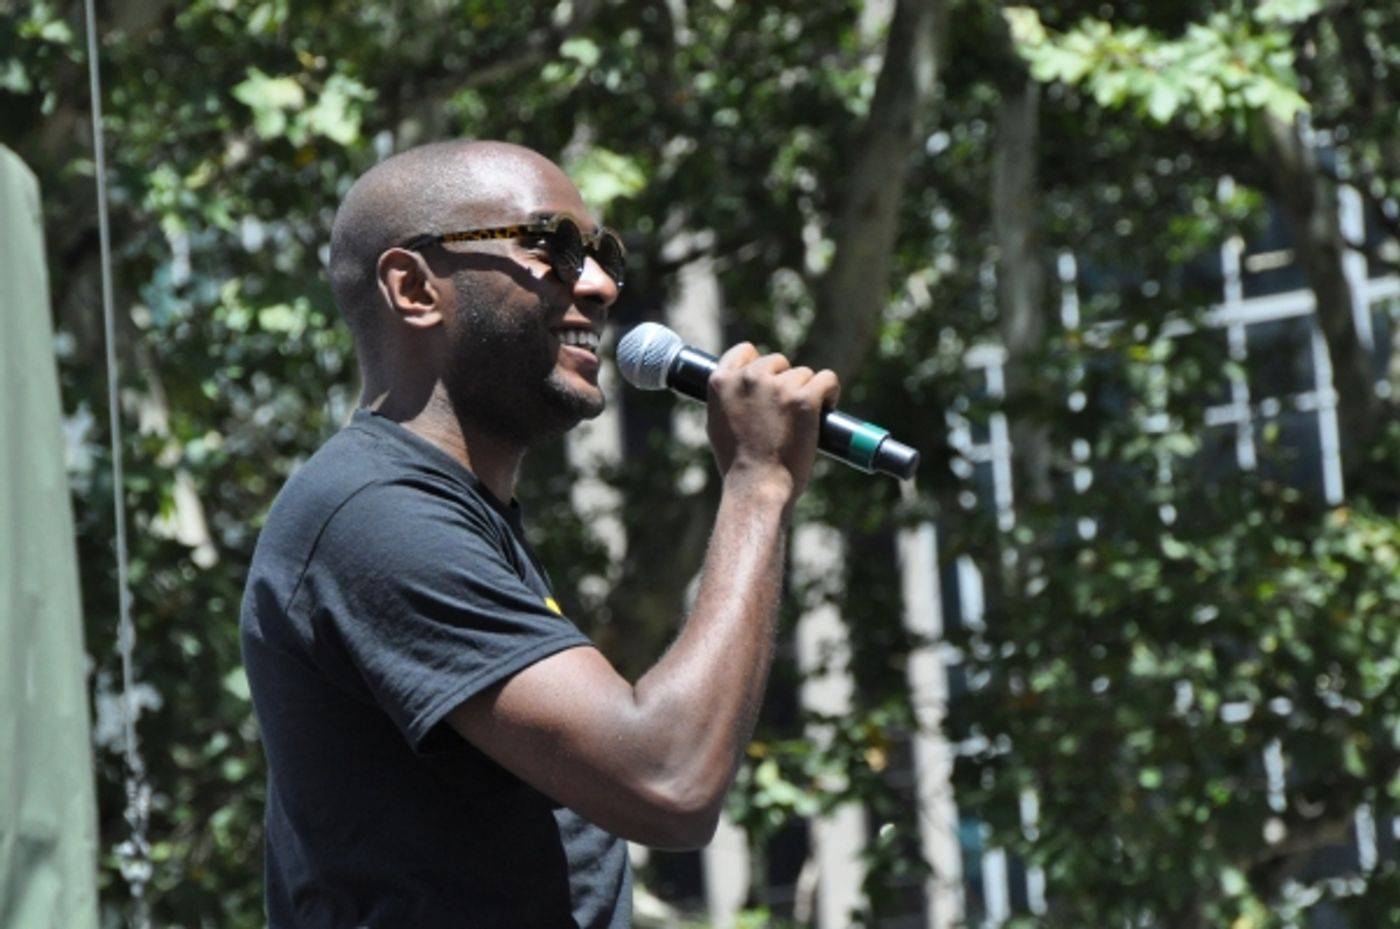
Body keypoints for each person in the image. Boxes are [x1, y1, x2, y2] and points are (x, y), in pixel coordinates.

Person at [240, 139, 840, 928]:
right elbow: (668, 780)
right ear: (414, 287)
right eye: (551, 247)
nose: (595, 284)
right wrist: (757, 484)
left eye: (602, 254)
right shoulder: (375, 515)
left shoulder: (448, 513)